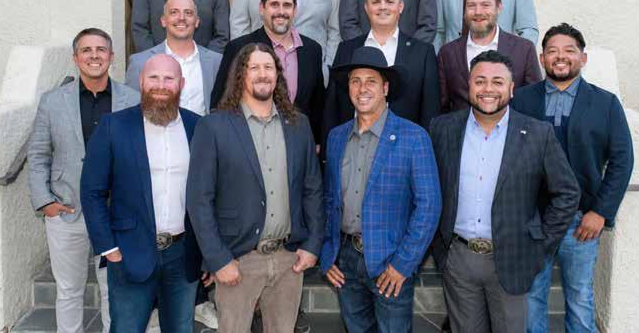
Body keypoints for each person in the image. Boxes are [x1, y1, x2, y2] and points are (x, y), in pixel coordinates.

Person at [430, 50, 580, 333]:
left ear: (511, 89)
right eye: (480, 81)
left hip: (513, 258)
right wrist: (441, 248)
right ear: (468, 86)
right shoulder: (442, 129)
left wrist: (539, 246)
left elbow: (567, 193)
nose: (488, 89)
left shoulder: (538, 133)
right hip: (457, 258)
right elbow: (429, 189)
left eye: (497, 82)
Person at [187, 43, 324, 333]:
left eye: (268, 67)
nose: (263, 74)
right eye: (254, 67)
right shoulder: (214, 126)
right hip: (238, 260)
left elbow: (312, 188)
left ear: (277, 74)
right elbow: (199, 199)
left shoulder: (298, 124)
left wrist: (312, 245)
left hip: (288, 259)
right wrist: (218, 259)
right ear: (241, 75)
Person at [510, 23, 634, 333]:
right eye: (552, 51)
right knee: (530, 299)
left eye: (569, 50)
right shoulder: (521, 100)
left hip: (582, 222)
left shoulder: (605, 104)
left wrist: (600, 213)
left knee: (579, 300)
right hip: (532, 220)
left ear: (583, 58)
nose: (560, 56)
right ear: (542, 59)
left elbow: (622, 161)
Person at [81, 55, 211, 333]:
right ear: (141, 82)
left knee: (181, 328)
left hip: (183, 254)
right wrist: (109, 248)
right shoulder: (113, 126)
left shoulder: (198, 126)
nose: (160, 85)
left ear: (181, 84)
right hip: (129, 253)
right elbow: (92, 192)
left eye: (169, 78)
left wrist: (208, 253)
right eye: (153, 77)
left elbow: (210, 193)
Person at [321, 46, 441, 333]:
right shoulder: (336, 137)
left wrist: (403, 264)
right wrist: (327, 254)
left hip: (390, 261)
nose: (362, 88)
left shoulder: (414, 137)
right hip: (345, 261)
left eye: (371, 81)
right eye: (355, 81)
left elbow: (429, 207)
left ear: (385, 88)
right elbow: (327, 200)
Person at [28, 28, 139, 333]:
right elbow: (37, 155)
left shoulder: (133, 99)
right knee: (68, 290)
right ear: (76, 58)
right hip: (67, 211)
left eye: (101, 49)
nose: (94, 55)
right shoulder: (52, 101)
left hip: (116, 214)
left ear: (111, 57)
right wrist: (45, 202)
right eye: (86, 50)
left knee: (113, 290)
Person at [324, 0, 439, 142]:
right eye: (376, 2)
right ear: (366, 8)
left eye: (389, 2)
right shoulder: (346, 49)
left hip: (404, 147)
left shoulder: (423, 53)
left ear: (400, 7)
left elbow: (430, 111)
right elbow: (332, 107)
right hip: (352, 144)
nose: (383, 7)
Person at [212, 0, 324, 143]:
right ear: (262, 8)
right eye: (274, 5)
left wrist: (316, 142)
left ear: (295, 10)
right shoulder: (238, 48)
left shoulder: (312, 50)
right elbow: (221, 102)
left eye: (287, 5)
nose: (281, 12)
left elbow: (318, 103)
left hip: (298, 143)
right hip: (248, 142)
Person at [438, 0, 541, 113]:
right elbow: (441, 105)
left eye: (485, 5)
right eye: (471, 5)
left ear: (499, 7)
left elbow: (534, 102)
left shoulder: (524, 50)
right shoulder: (447, 53)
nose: (478, 12)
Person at [127, 0, 221, 116]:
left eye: (188, 13)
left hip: (203, 128)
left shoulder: (217, 62)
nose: (181, 18)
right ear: (163, 20)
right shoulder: (140, 62)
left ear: (197, 21)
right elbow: (130, 112)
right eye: (174, 12)